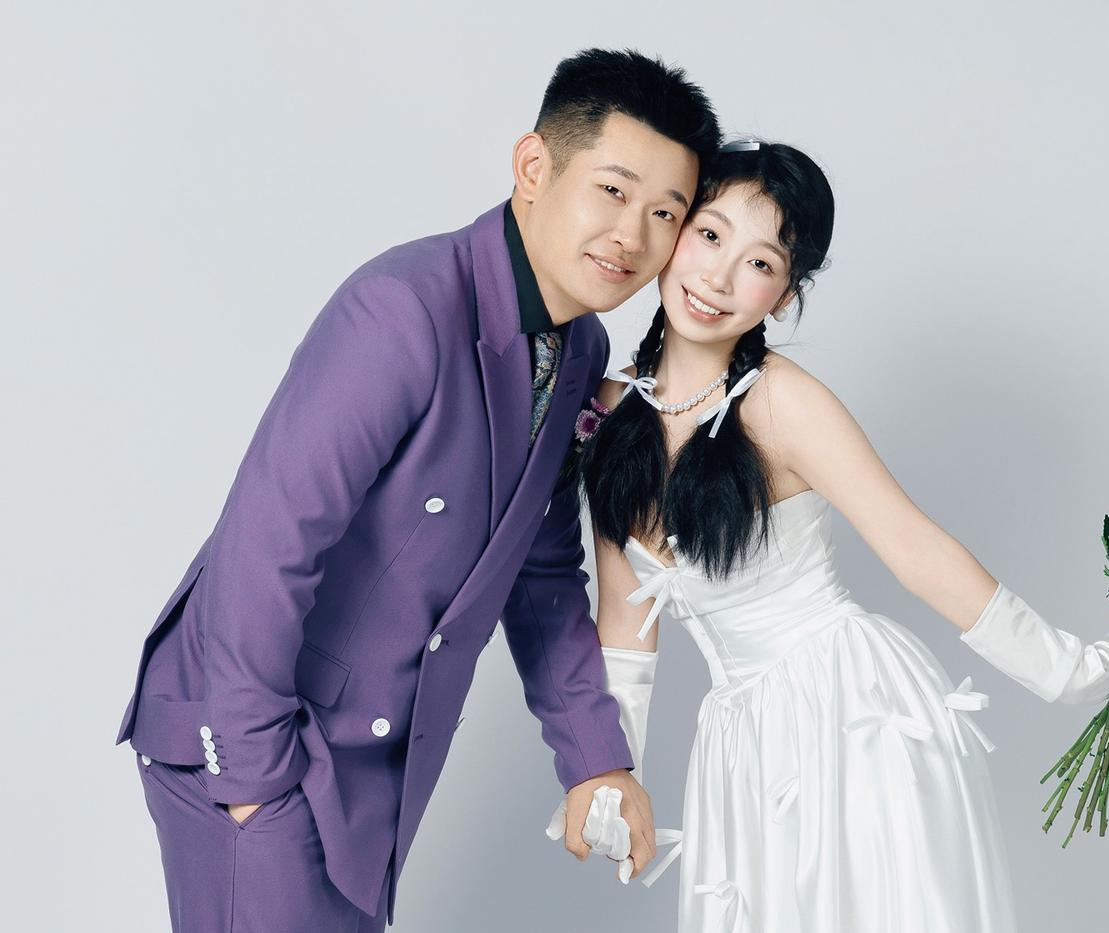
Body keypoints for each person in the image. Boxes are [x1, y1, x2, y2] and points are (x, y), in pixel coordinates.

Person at [113, 48, 720, 930]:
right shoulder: (404, 308)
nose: (633, 234)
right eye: (613, 191)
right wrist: (252, 785)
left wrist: (597, 757)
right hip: (253, 741)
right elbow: (267, 542)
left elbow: (540, 571)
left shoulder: (579, 349)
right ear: (534, 167)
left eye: (665, 212)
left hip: (367, 770)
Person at [573, 140, 1109, 931]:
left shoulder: (782, 403)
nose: (719, 277)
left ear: (784, 297)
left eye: (760, 263)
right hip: (739, 743)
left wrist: (1066, 668)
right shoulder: (609, 413)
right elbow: (625, 628)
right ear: (675, 227)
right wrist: (607, 770)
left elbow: (914, 547)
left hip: (853, 715)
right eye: (711, 235)